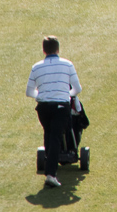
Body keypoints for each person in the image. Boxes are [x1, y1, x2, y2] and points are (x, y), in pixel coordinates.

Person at [26, 35, 81, 189]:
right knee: (56, 137)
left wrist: (43, 96)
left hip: (43, 107)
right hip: (61, 106)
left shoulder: (36, 67)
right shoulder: (67, 65)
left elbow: (30, 91)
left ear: (44, 50)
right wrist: (66, 95)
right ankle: (51, 174)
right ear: (58, 49)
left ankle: (49, 166)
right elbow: (77, 89)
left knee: (49, 134)